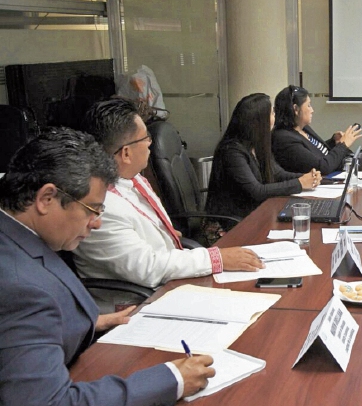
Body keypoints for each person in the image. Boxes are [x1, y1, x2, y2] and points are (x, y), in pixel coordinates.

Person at [0, 128, 215, 406]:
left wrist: (84, 323)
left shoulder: (15, 234)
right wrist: (172, 380)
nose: (97, 222)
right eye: (92, 209)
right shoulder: (21, 290)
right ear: (46, 199)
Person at [74, 98, 264, 312]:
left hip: (168, 283)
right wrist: (216, 258)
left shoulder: (133, 179)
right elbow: (148, 267)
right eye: (146, 138)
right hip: (136, 306)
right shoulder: (101, 207)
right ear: (126, 153)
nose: (150, 143)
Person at [205, 93, 319, 220]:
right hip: (231, 222)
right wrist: (299, 183)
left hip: (254, 214)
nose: (274, 117)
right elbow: (257, 191)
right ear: (259, 121)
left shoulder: (257, 145)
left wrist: (307, 178)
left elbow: (277, 174)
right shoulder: (231, 151)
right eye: (271, 114)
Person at [272, 85, 362, 175]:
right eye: (308, 105)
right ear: (296, 109)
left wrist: (333, 142)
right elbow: (322, 167)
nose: (312, 110)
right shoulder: (284, 139)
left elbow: (313, 152)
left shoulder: (303, 128)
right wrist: (343, 145)